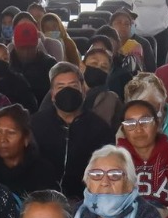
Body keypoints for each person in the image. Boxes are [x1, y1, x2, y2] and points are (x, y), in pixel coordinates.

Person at [31, 64, 113, 198]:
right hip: (41, 199)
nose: (67, 91)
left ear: (83, 91)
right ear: (52, 95)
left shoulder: (100, 129)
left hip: (85, 200)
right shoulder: (35, 124)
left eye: (73, 86)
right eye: (61, 87)